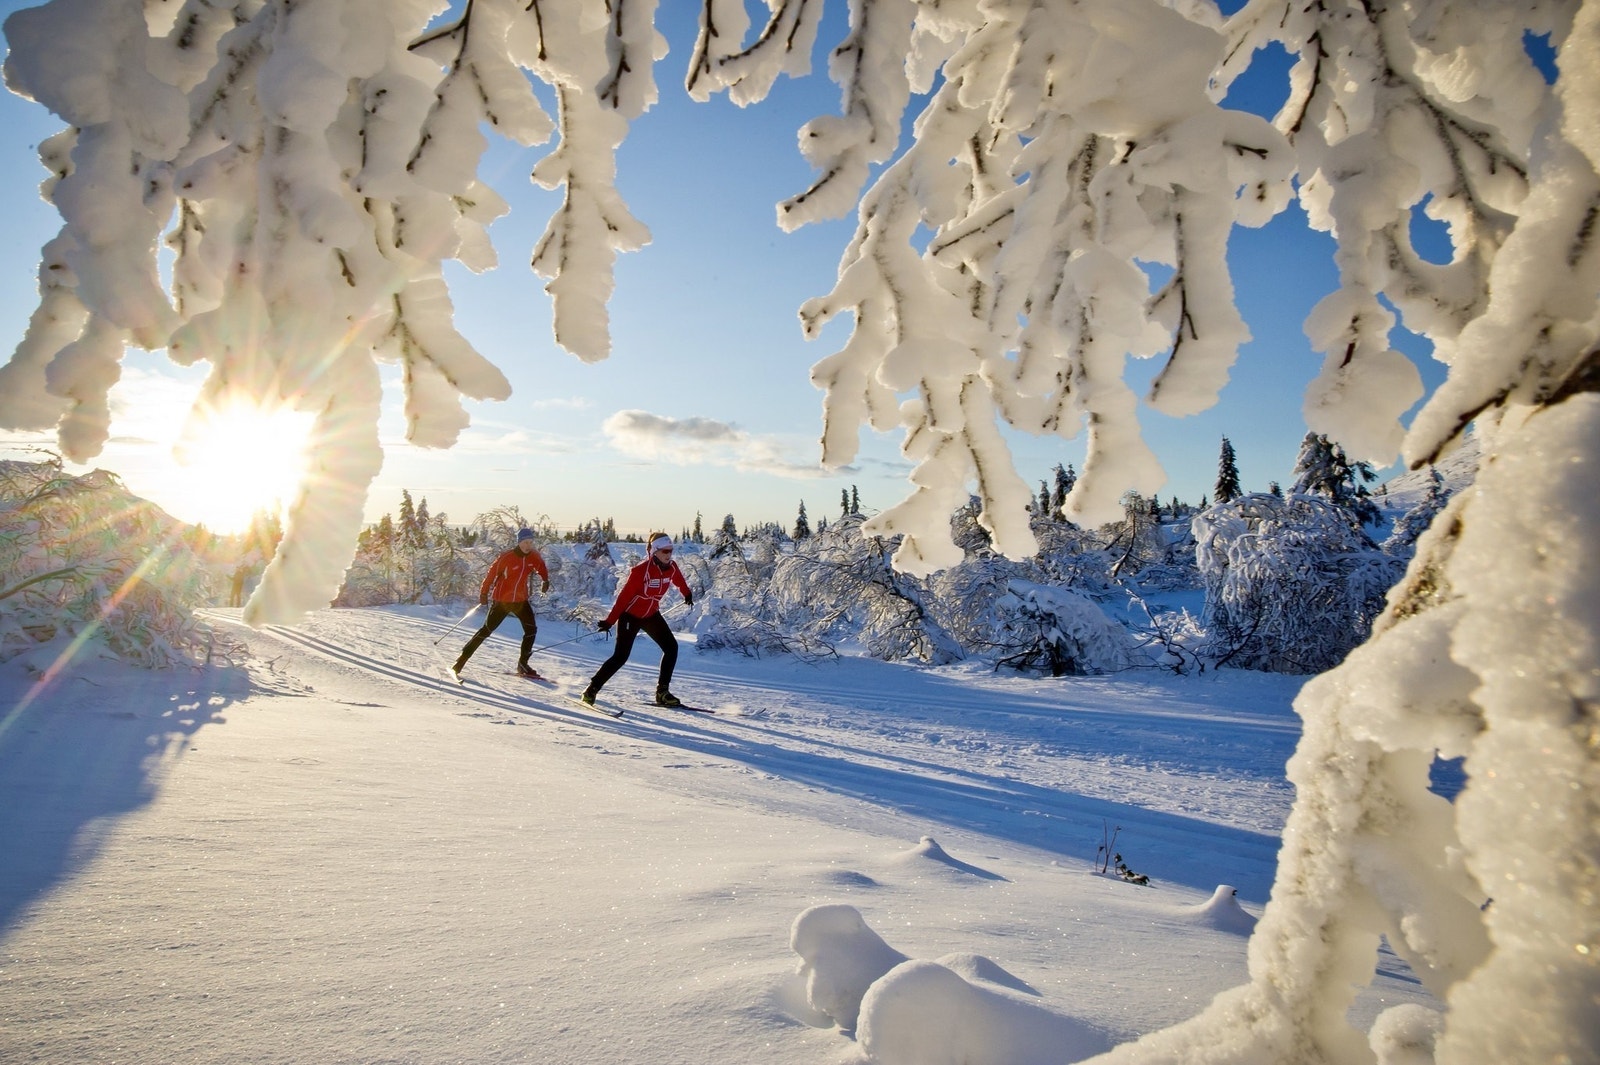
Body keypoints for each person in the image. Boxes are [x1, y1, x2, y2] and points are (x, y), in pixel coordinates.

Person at [583, 533, 693, 708]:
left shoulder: (671, 567)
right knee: (621, 657)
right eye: (665, 551)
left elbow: (678, 580)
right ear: (655, 551)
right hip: (630, 616)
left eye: (671, 550)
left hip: (650, 615)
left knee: (671, 648)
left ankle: (662, 692)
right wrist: (610, 621)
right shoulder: (640, 571)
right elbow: (623, 599)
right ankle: (591, 689)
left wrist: (686, 593)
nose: (669, 554)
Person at [454, 528, 551, 679]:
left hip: (520, 601)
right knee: (486, 631)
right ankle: (461, 661)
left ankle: (523, 664)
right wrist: (484, 592)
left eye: (530, 542)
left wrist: (545, 580)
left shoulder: (533, 557)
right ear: (519, 542)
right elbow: (491, 574)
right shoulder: (507, 557)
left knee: (531, 630)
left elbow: (541, 567)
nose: (528, 545)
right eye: (525, 542)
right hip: (502, 601)